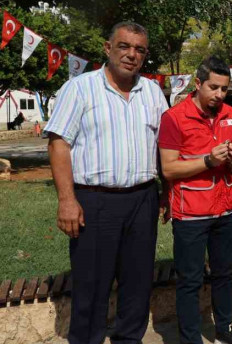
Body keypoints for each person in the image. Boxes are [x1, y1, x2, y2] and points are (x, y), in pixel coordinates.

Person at [46, 22, 168, 344]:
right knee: (92, 284)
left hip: (143, 199)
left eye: (139, 49)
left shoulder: (153, 92)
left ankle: (130, 339)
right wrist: (66, 200)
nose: (132, 55)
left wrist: (166, 192)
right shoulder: (80, 88)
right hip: (95, 201)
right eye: (124, 46)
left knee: (138, 283)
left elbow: (163, 146)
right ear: (107, 48)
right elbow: (59, 143)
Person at [157, 56, 232, 344]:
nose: (219, 95)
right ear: (197, 84)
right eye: (213, 88)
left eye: (224, 89)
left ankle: (224, 329)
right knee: (190, 281)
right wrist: (208, 160)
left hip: (225, 211)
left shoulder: (231, 113)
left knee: (224, 274)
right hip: (191, 216)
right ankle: (189, 337)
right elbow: (169, 168)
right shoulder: (174, 117)